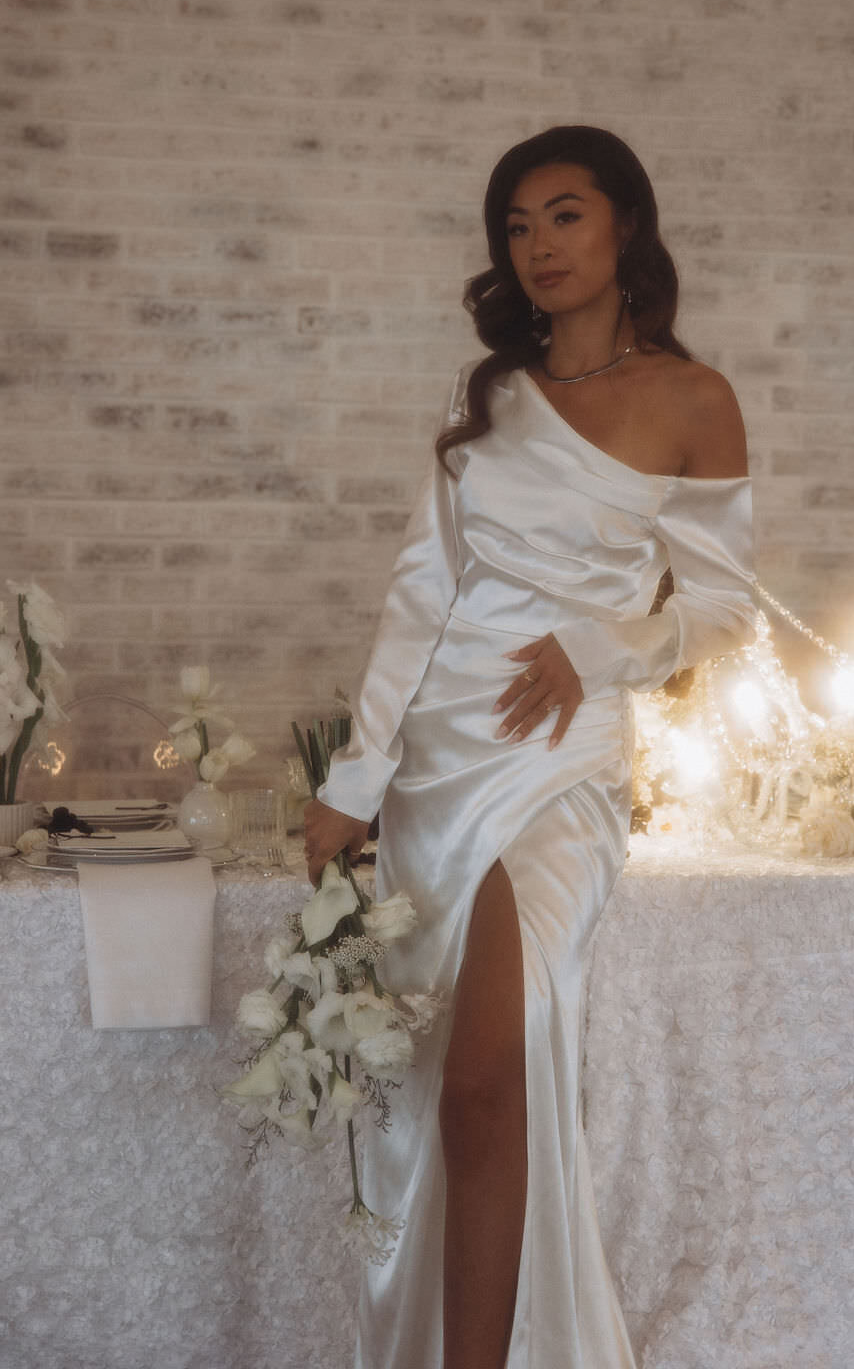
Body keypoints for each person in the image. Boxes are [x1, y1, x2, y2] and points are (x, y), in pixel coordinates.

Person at [304, 125, 757, 1369]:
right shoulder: (486, 394)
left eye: (563, 214)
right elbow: (420, 593)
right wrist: (355, 778)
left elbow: (719, 609)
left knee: (486, 1079)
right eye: (517, 224)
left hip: (557, 763)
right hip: (434, 761)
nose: (539, 245)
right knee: (438, 1090)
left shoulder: (692, 399)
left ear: (623, 228)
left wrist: (597, 648)